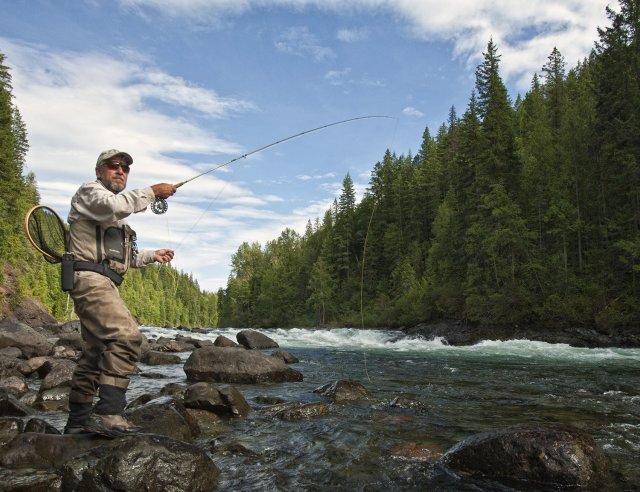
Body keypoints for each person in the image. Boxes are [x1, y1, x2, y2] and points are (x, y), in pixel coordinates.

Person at [63, 149, 177, 436]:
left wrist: (153, 255)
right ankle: (110, 414)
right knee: (127, 338)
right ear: (99, 170)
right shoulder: (90, 193)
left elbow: (125, 259)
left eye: (125, 169)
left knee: (95, 352)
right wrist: (152, 192)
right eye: (114, 166)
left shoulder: (117, 220)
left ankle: (78, 422)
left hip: (105, 281)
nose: (120, 171)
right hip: (90, 281)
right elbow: (114, 207)